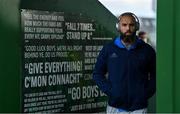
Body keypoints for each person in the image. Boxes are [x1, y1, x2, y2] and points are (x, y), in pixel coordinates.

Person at [93, 12, 156, 114]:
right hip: (115, 107)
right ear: (118, 27)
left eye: (131, 25)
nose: (128, 29)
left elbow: (155, 75)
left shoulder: (147, 50)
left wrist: (145, 93)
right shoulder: (108, 49)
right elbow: (97, 74)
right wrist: (111, 91)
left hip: (139, 108)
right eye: (124, 25)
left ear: (136, 27)